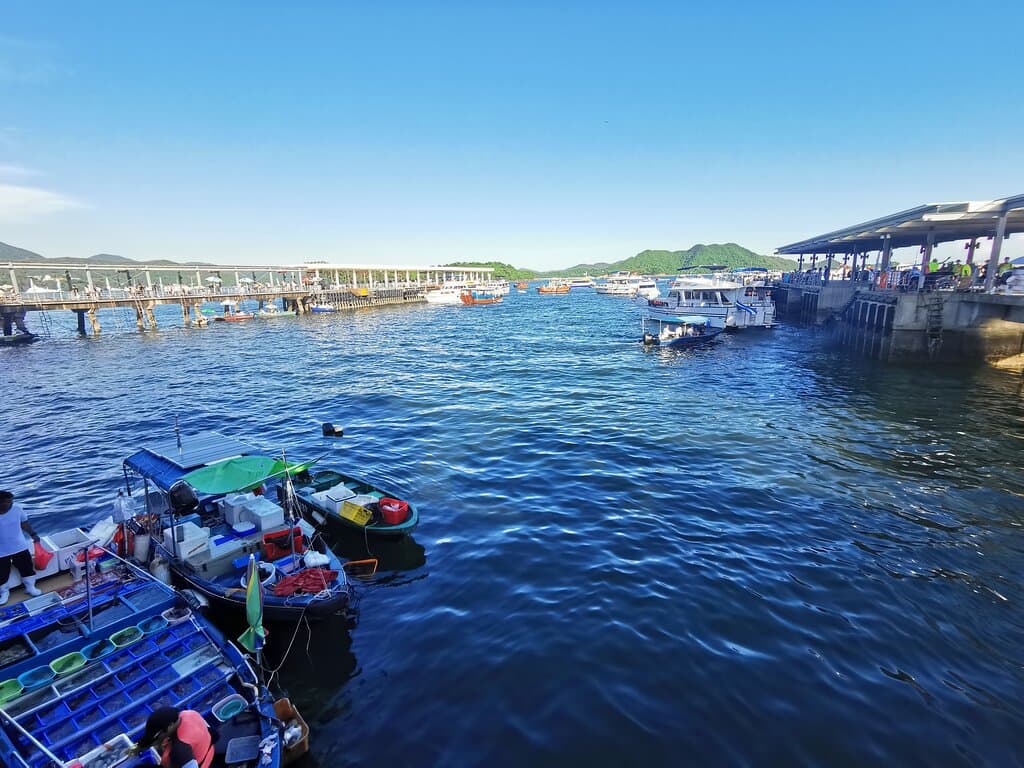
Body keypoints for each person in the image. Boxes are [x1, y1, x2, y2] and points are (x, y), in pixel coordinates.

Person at [132, 706, 216, 768]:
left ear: (170, 726)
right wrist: (140, 746)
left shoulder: (180, 750)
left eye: (158, 735)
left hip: (198, 762)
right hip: (205, 749)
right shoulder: (188, 714)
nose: (157, 739)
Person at [0, 490, 42, 604]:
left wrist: (33, 534)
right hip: (1, 551)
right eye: (6, 502)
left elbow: (24, 523)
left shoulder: (17, 508)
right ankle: (4, 592)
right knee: (1, 573)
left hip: (19, 546)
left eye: (11, 501)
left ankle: (30, 587)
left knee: (27, 567)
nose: (10, 504)